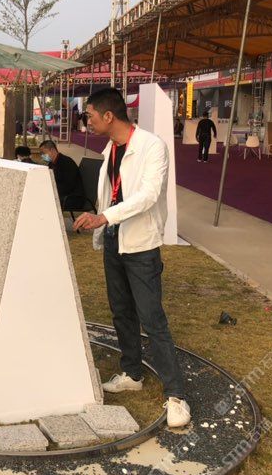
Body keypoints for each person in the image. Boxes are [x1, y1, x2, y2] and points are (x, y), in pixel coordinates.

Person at [73, 87, 190, 428]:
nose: (88, 122)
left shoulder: (152, 146)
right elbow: (109, 195)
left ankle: (176, 395)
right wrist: (102, 220)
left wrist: (105, 217)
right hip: (115, 240)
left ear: (109, 116)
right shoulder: (111, 148)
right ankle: (132, 372)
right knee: (121, 311)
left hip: (140, 246)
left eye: (90, 116)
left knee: (152, 318)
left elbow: (148, 195)